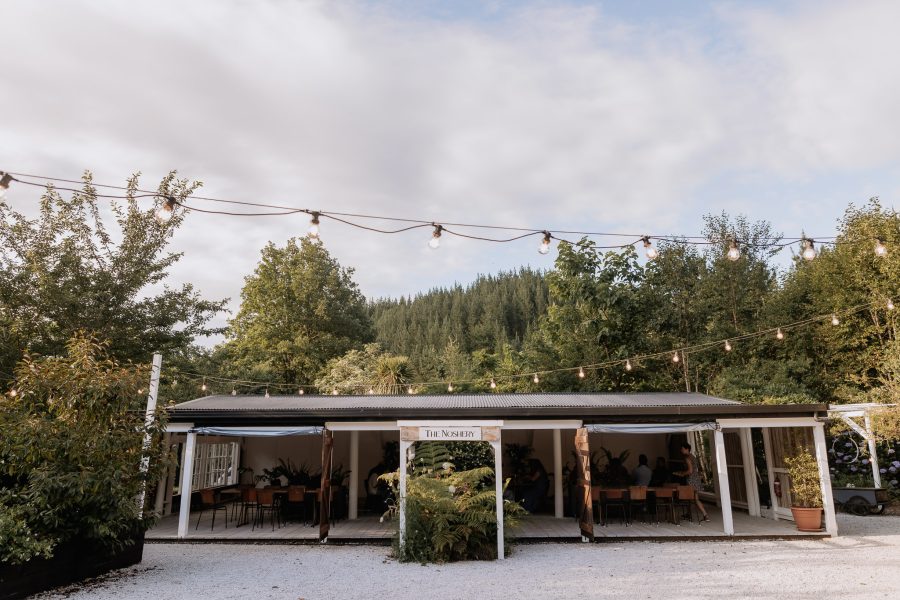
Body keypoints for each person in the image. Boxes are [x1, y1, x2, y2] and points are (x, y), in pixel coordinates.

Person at [673, 443, 710, 521]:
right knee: (695, 499)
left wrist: (682, 474)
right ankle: (704, 515)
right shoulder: (693, 457)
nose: (681, 450)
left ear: (687, 449)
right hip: (696, 479)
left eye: (682, 449)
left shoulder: (687, 458)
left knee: (690, 497)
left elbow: (690, 471)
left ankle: (693, 514)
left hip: (691, 480)